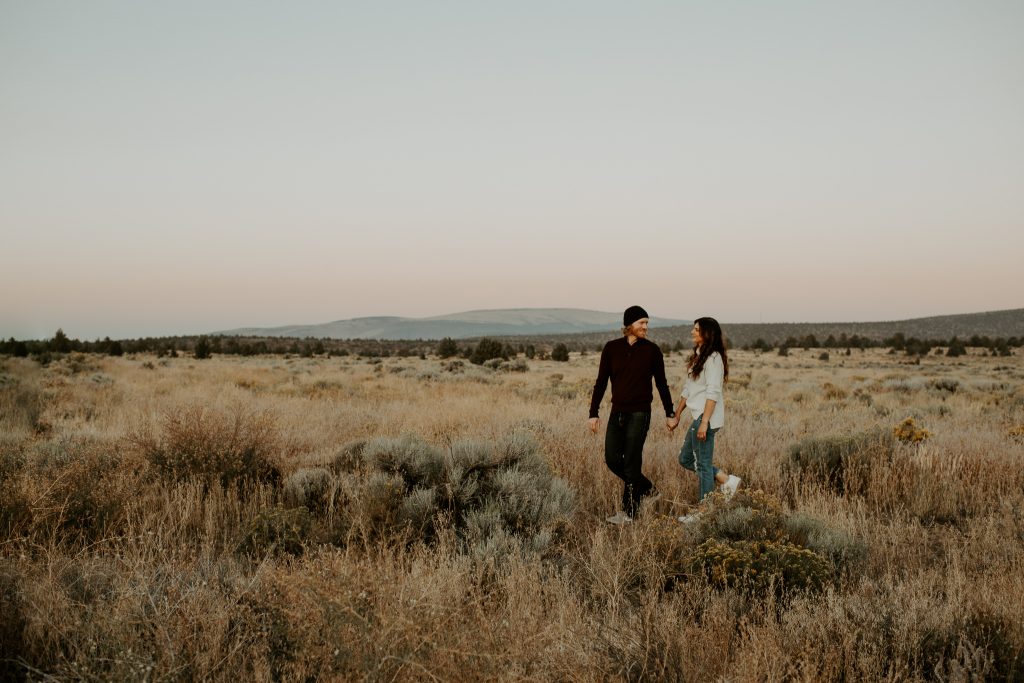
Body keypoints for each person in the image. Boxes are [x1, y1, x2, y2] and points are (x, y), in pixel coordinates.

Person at [589, 305, 676, 524]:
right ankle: (648, 489)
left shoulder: (652, 350)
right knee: (611, 459)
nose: (646, 327)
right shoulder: (611, 348)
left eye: (647, 323)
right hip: (617, 412)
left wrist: (670, 412)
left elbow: (662, 384)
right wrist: (593, 412)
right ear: (629, 325)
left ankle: (628, 513)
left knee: (631, 463)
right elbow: (601, 382)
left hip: (640, 413)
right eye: (642, 323)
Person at [669, 317, 741, 522]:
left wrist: (704, 421)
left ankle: (704, 512)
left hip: (705, 417)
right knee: (686, 459)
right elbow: (687, 389)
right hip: (698, 414)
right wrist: (677, 414)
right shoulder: (699, 356)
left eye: (696, 329)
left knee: (702, 465)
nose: (692, 332)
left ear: (707, 333)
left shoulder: (714, 358)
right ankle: (726, 480)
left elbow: (713, 393)